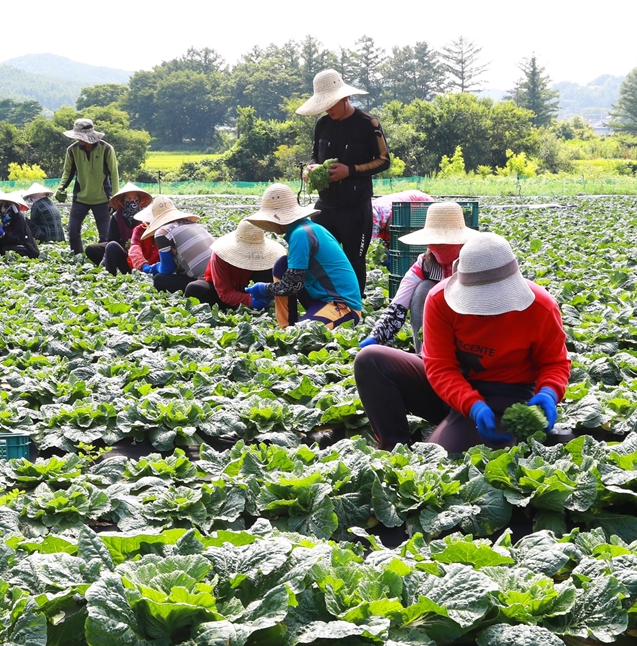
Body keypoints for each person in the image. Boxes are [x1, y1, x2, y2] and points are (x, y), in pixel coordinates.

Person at [354, 232, 571, 453]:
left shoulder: (540, 306)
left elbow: (554, 363)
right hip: (449, 386)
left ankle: (466, 430)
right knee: (370, 360)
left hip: (505, 395)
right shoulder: (440, 299)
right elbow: (440, 367)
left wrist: (548, 392)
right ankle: (394, 449)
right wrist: (472, 405)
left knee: (443, 463)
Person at [297, 69, 391, 296]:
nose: (328, 108)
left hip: (355, 207)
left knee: (354, 261)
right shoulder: (322, 124)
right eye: (324, 104)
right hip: (325, 205)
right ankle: (326, 302)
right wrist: (310, 168)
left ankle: (354, 309)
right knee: (318, 256)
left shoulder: (368, 123)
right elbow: (314, 155)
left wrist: (350, 171)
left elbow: (384, 161)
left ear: (345, 97)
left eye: (331, 103)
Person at [361, 202, 477, 352]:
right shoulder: (425, 263)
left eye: (441, 242)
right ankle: (424, 354)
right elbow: (399, 304)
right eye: (431, 241)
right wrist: (377, 336)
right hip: (438, 328)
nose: (434, 247)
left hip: (472, 329)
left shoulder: (476, 261)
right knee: (424, 288)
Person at [244, 183, 362, 329]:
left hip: (343, 307)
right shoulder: (304, 229)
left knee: (303, 337)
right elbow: (293, 279)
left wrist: (264, 289)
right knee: (282, 265)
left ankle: (293, 328)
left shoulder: (301, 234)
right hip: (318, 299)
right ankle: (286, 326)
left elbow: (292, 285)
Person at [54, 118, 120, 256]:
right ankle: (78, 257)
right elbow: (68, 171)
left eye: (81, 137)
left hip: (102, 199)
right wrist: (61, 188)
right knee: (72, 231)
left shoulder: (106, 149)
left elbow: (114, 174)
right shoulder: (72, 150)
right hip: (80, 198)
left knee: (105, 235)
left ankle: (103, 260)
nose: (79, 140)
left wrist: (115, 198)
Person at [184, 220, 284, 310]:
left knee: (269, 276)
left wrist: (267, 293)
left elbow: (280, 285)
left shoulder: (265, 255)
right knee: (195, 288)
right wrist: (249, 301)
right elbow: (224, 292)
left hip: (247, 288)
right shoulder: (220, 255)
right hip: (220, 292)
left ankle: (261, 303)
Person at [141, 196, 214, 294]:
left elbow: (167, 269)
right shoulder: (193, 224)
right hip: (220, 277)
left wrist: (153, 268)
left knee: (159, 279)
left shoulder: (162, 232)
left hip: (206, 282)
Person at [84, 182, 154, 274]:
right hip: (121, 249)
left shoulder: (145, 217)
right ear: (123, 201)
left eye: (135, 198)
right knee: (93, 249)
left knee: (112, 246)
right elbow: (112, 239)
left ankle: (112, 268)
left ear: (139, 200)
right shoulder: (117, 216)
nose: (132, 201)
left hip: (139, 252)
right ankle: (111, 263)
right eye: (129, 198)